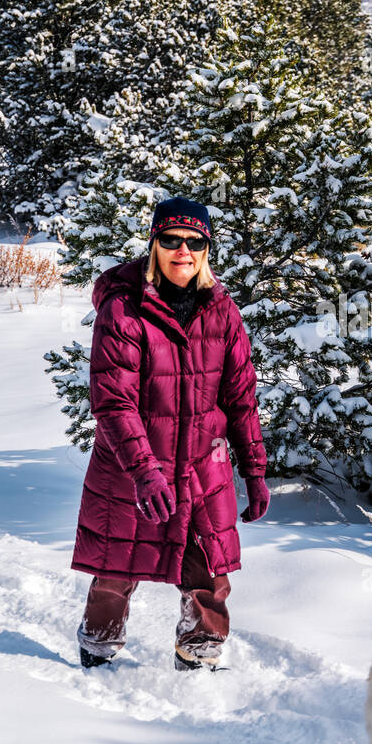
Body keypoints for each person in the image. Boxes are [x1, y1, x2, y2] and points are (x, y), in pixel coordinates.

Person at [70, 196, 270, 672]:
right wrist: (144, 471)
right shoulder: (124, 309)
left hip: (204, 465)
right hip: (132, 465)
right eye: (171, 240)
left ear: (206, 248)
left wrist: (255, 469)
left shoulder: (222, 312)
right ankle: (98, 648)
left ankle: (198, 655)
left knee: (210, 572)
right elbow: (113, 401)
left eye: (195, 241)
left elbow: (241, 399)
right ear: (155, 243)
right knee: (117, 566)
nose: (183, 250)